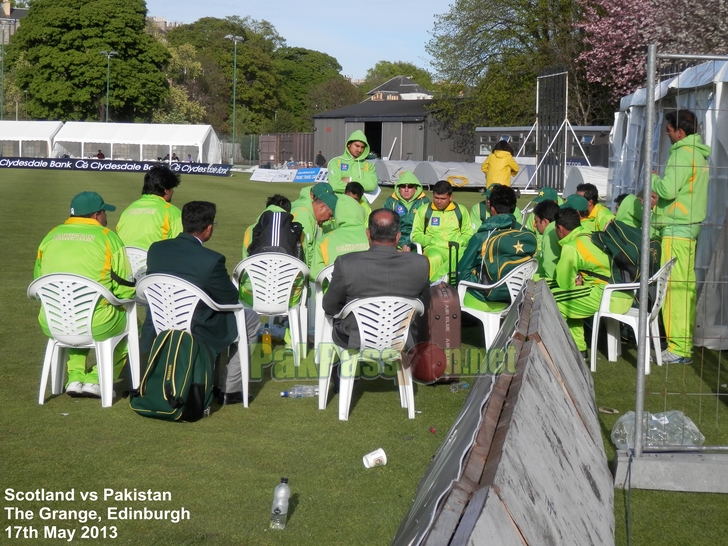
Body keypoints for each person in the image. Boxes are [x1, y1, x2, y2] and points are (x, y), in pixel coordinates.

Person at [145, 201, 260, 405]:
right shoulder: (211, 259)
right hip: (197, 326)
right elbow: (230, 299)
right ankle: (230, 390)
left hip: (161, 320)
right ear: (208, 228)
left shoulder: (156, 249)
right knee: (251, 319)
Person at [33, 192, 135, 398]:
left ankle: (75, 378)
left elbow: (38, 283)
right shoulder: (109, 238)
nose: (107, 217)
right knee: (133, 326)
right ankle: (96, 379)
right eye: (105, 212)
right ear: (97, 215)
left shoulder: (50, 235)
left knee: (77, 313)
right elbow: (125, 288)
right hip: (96, 323)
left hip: (53, 322)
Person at [323, 209, 430, 350]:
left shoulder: (347, 263)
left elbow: (330, 306)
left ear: (368, 234)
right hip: (402, 337)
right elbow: (424, 304)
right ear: (398, 236)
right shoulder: (420, 263)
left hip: (355, 337)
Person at [651, 109, 711, 364]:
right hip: (689, 228)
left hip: (677, 229)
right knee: (684, 288)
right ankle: (682, 344)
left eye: (668, 131)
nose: (667, 136)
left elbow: (668, 189)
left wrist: (653, 179)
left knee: (674, 289)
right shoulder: (699, 154)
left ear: (680, 132)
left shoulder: (683, 154)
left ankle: (677, 348)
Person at [549, 207, 632, 358]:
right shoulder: (593, 235)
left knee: (556, 301)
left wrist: (575, 280)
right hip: (625, 292)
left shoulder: (571, 247)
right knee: (571, 302)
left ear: (559, 228)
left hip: (609, 296)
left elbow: (564, 284)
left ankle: (558, 350)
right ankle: (579, 349)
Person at [458, 185, 536, 311]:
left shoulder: (482, 236)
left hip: (488, 296)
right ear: (514, 207)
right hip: (520, 294)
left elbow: (462, 272)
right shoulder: (527, 234)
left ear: (492, 209)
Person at [410, 180, 473, 281]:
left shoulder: (461, 210)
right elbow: (415, 234)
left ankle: (442, 284)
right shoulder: (424, 210)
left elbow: (468, 233)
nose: (439, 201)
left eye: (443, 199)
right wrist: (430, 241)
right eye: (436, 198)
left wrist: (459, 242)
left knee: (464, 255)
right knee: (435, 258)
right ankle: (435, 287)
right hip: (434, 248)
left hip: (455, 248)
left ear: (451, 197)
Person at [116, 165, 182, 251]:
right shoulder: (172, 212)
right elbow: (182, 247)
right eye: (172, 188)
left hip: (127, 262)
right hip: (155, 262)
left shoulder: (127, 211)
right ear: (166, 190)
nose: (173, 192)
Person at [310, 194, 369, 280]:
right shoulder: (375, 235)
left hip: (334, 291)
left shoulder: (323, 241)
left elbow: (314, 275)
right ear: (360, 212)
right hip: (369, 290)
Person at [290, 183, 338, 268]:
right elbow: (302, 252)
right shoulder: (303, 216)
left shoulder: (312, 216)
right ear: (322, 207)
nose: (330, 219)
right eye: (330, 215)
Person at [382, 171, 429, 251]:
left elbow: (428, 228)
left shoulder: (424, 202)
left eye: (410, 186)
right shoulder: (391, 202)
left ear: (416, 188)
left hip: (418, 241)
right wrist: (400, 244)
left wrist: (411, 244)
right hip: (395, 242)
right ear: (399, 188)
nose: (406, 190)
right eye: (403, 186)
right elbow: (385, 226)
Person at [532, 200, 561, 280]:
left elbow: (551, 271)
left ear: (545, 222)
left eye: (536, 221)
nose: (534, 225)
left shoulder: (550, 233)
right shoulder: (558, 228)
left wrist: (532, 278)